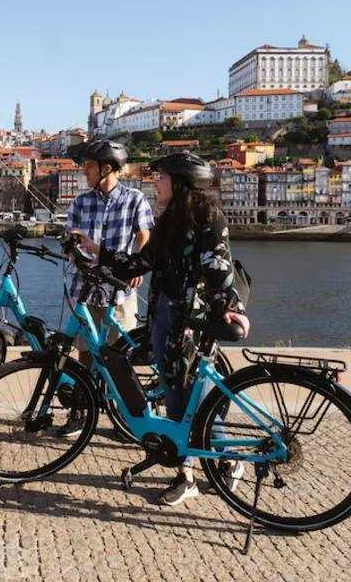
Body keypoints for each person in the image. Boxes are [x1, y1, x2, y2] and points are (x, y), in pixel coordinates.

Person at [95, 151, 250, 506]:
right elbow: (143, 261)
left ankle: (206, 467)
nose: (155, 182)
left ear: (179, 182)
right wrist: (99, 254)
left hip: (189, 320)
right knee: (177, 392)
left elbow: (218, 266)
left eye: (160, 177)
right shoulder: (169, 219)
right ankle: (203, 467)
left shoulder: (206, 215)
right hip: (165, 314)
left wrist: (230, 308)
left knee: (186, 396)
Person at [61, 139, 154, 436]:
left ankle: (126, 417)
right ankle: (80, 410)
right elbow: (69, 239)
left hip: (119, 289)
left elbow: (144, 235)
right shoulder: (81, 201)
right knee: (84, 353)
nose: (84, 172)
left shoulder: (134, 198)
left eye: (89, 166)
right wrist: (73, 248)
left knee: (119, 356)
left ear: (107, 168)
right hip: (85, 287)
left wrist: (136, 265)